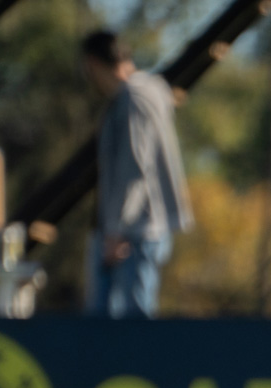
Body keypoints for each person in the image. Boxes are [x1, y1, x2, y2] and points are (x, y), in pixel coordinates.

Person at [80, 30, 192, 318]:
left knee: (130, 329)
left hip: (134, 232)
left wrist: (116, 230)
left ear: (92, 64)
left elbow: (135, 168)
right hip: (139, 229)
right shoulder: (152, 89)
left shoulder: (134, 96)